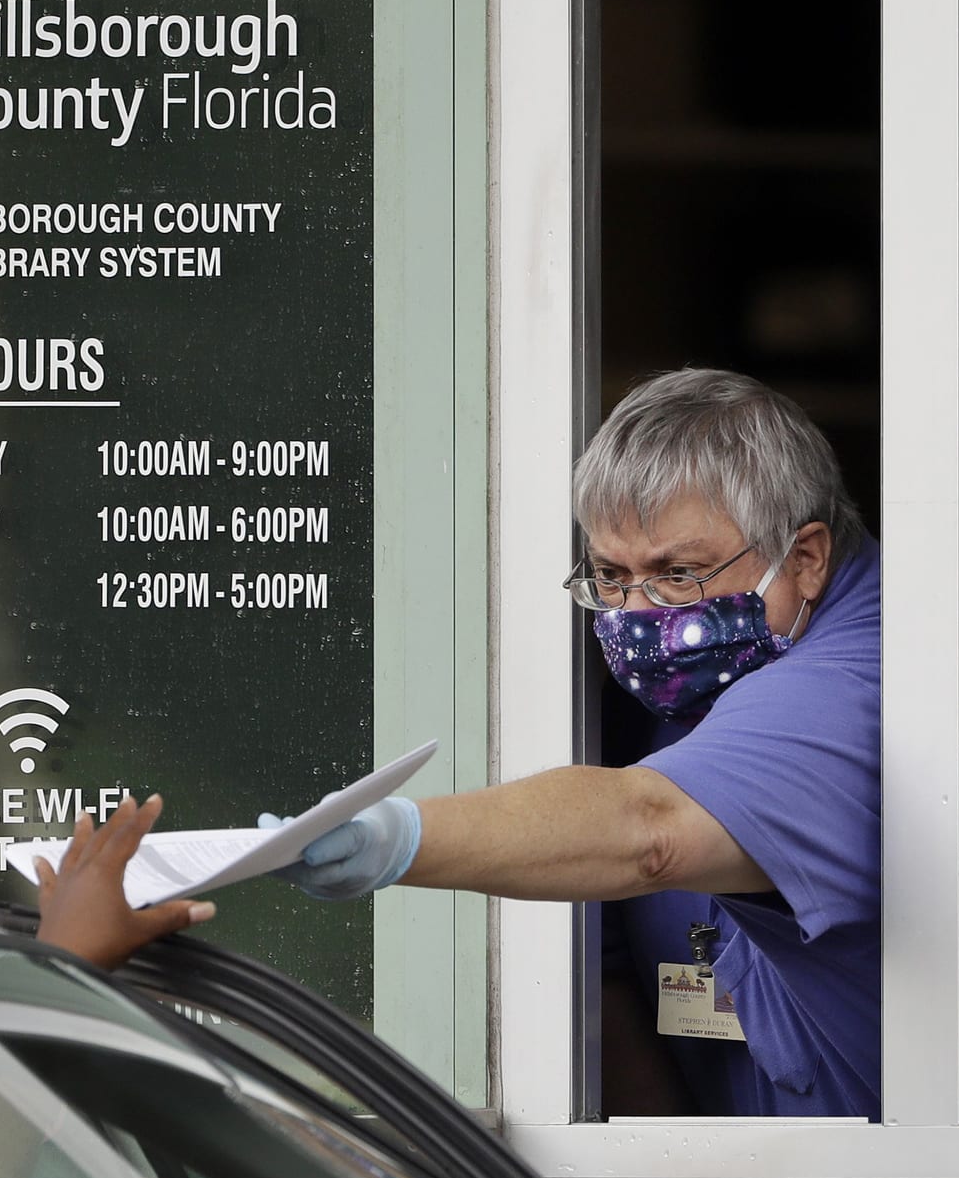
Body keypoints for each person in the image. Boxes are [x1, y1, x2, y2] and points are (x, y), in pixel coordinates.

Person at [254, 368, 886, 1119]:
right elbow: (605, 964)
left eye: (678, 574)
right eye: (612, 576)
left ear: (806, 558)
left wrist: (390, 838)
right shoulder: (708, 673)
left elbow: (646, 829)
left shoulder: (863, 680)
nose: (639, 614)